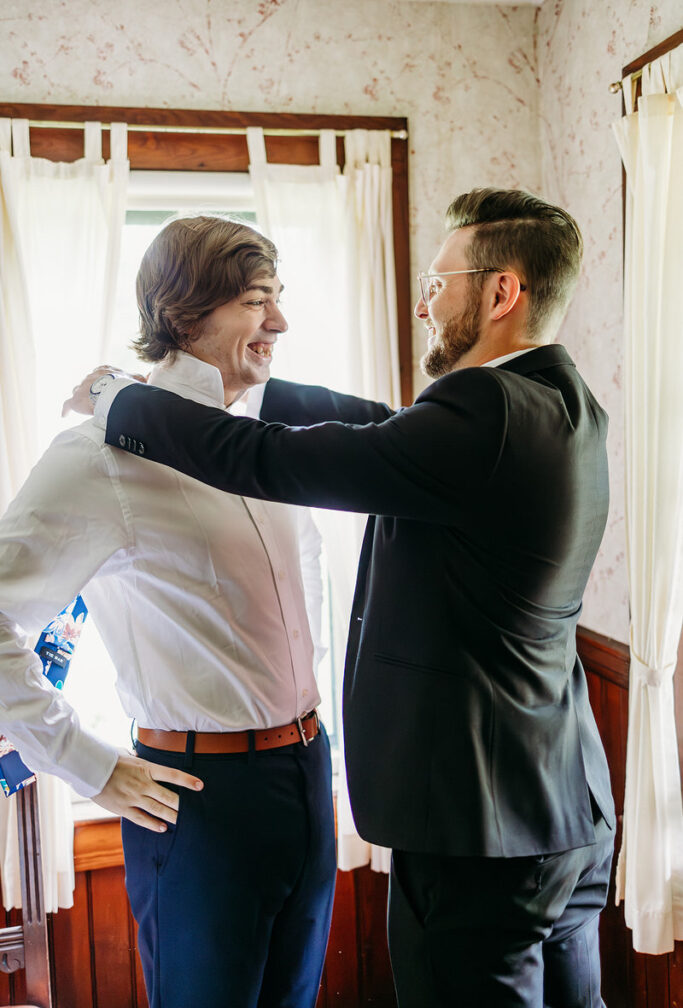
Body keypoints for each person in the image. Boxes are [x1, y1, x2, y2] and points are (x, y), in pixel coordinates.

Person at [76, 188, 616, 1007]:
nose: (426, 303)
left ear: (502, 292)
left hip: (479, 824)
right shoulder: (561, 403)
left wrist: (124, 401)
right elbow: (382, 429)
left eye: (440, 283)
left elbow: (272, 462)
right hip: (565, 806)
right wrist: (252, 388)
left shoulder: (483, 409)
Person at [0, 216, 336, 1008]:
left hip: (307, 771)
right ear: (187, 315)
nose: (280, 323)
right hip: (197, 795)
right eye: (259, 301)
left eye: (279, 298)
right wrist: (82, 761)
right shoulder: (101, 458)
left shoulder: (269, 437)